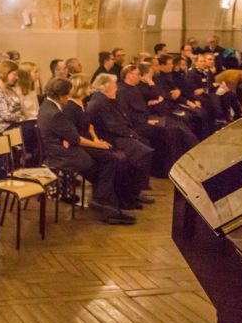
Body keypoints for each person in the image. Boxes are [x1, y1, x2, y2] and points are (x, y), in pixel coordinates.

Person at [37, 78, 134, 225]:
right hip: (65, 155)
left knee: (108, 162)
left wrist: (75, 138)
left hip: (63, 149)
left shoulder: (46, 105)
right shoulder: (55, 113)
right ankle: (106, 207)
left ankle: (106, 205)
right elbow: (76, 138)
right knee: (107, 163)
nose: (68, 98)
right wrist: (97, 145)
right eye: (67, 95)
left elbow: (71, 134)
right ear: (62, 96)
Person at [64, 75, 139, 214]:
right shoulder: (70, 107)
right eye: (88, 86)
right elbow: (74, 136)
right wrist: (96, 145)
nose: (90, 88)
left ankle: (121, 199)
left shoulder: (81, 103)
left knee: (121, 157)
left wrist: (96, 140)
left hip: (89, 142)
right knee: (112, 159)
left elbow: (89, 127)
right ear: (81, 88)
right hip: (80, 146)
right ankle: (104, 199)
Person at [85, 74, 154, 204]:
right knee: (144, 153)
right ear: (106, 87)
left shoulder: (106, 99)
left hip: (116, 135)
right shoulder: (100, 102)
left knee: (145, 145)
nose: (116, 88)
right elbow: (112, 126)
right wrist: (131, 135)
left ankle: (135, 190)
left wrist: (132, 134)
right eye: (114, 86)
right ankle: (134, 192)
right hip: (109, 138)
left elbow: (121, 120)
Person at [0, 59, 24, 135]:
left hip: (16, 125)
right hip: (4, 128)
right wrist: (21, 117)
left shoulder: (10, 89)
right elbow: (6, 116)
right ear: (5, 73)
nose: (16, 77)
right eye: (14, 74)